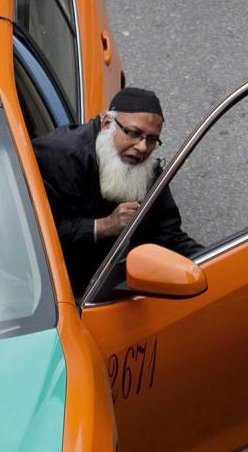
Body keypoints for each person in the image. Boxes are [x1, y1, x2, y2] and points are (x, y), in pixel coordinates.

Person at [32, 87, 202, 297]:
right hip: (48, 288)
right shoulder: (60, 156)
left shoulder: (148, 168)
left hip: (106, 286)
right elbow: (32, 235)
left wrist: (212, 263)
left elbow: (168, 235)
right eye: (133, 133)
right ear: (107, 124)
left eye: (151, 140)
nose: (142, 147)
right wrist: (103, 226)